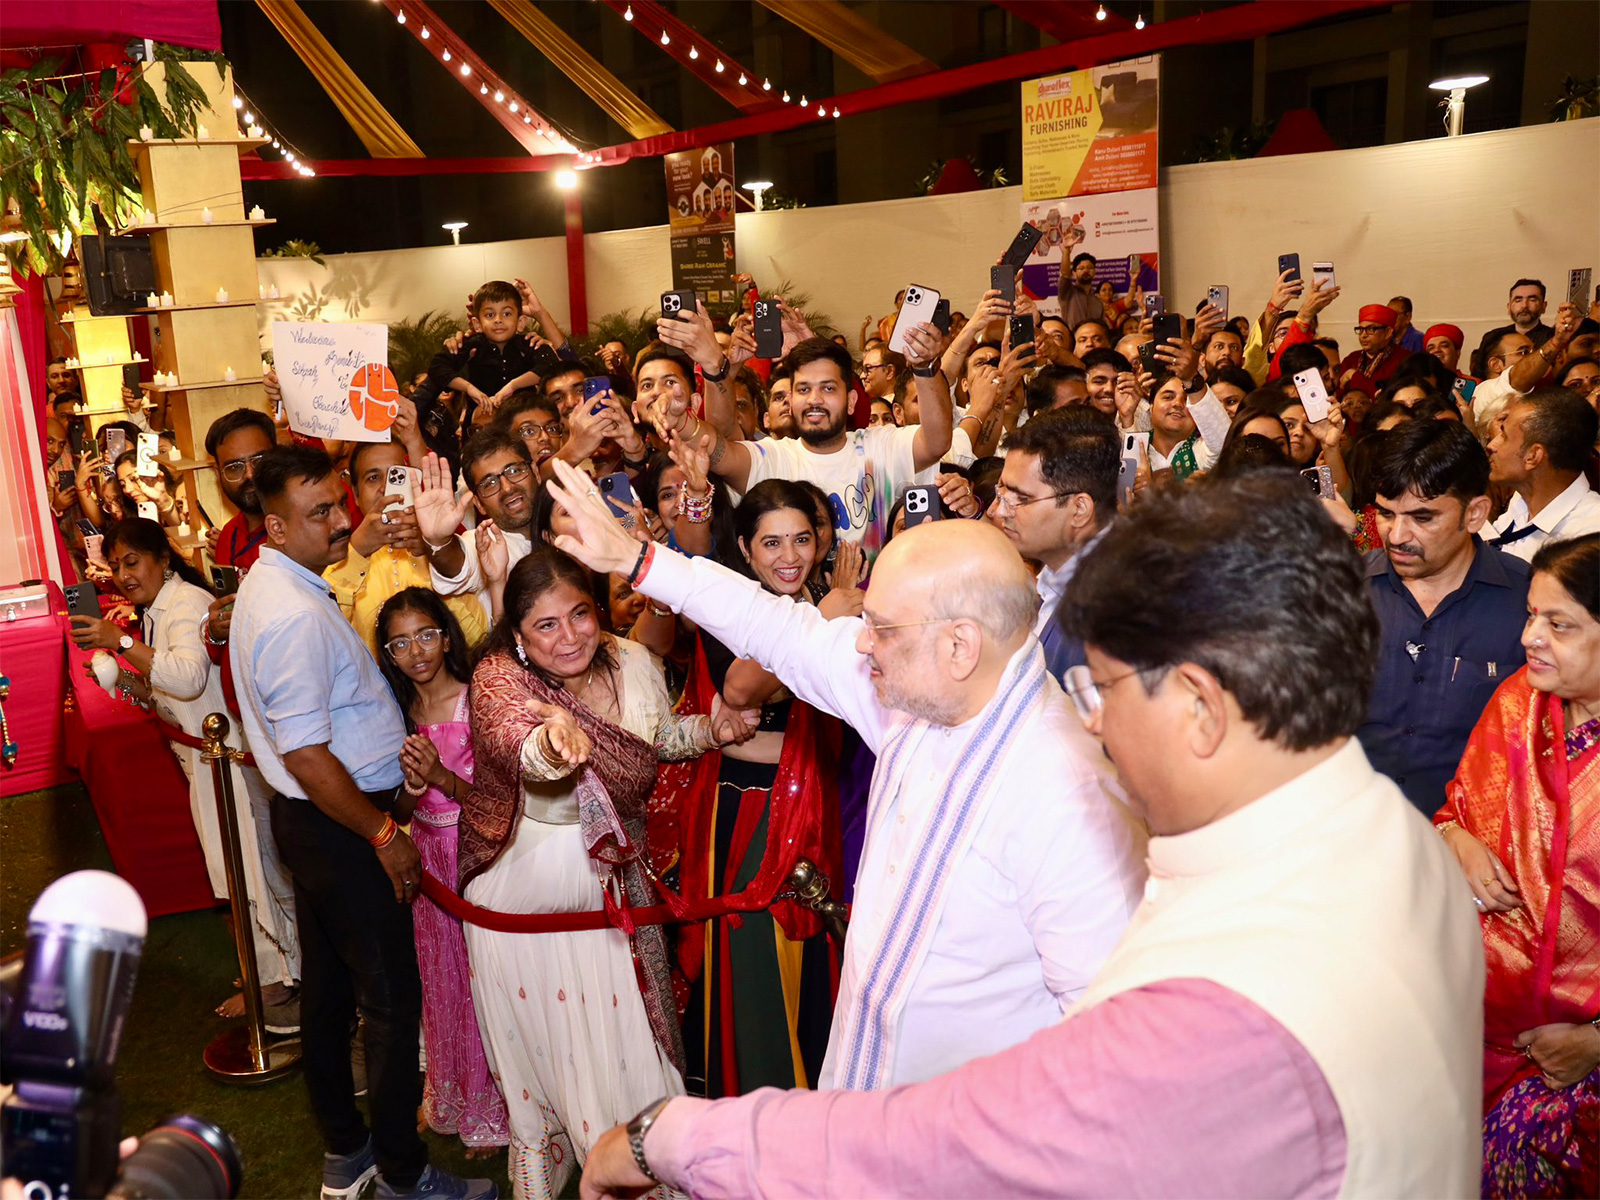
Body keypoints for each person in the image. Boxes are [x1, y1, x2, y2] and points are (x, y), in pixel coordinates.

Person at [579, 473, 1483, 1200]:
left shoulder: (1236, 978)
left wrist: (682, 1137)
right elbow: (783, 636)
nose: (1090, 723)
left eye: (1105, 689)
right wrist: (645, 560)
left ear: (1203, 706)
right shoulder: (1394, 840)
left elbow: (999, 1139)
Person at [544, 458, 1145, 1094]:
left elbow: (1107, 1044)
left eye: (880, 629)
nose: (860, 644)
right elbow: (778, 628)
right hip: (864, 1103)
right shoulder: (917, 694)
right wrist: (639, 560)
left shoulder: (1068, 796)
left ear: (960, 645)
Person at [231, 445, 495, 1200]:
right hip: (342, 827)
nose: (344, 521)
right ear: (275, 527)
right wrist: (384, 837)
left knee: (331, 994)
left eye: (338, 503)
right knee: (385, 1004)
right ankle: (402, 1176)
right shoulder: (289, 615)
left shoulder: (282, 586)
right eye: (320, 514)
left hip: (324, 825)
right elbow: (308, 756)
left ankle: (349, 1157)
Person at [457, 547, 754, 1200]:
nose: (570, 637)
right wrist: (552, 745)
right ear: (518, 635)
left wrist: (713, 729)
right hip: (526, 907)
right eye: (546, 625)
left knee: (632, 1059)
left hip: (614, 895)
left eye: (580, 614)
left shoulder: (637, 664)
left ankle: (644, 1174)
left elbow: (655, 743)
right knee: (564, 1073)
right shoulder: (501, 681)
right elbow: (517, 741)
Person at [68, 517, 301, 1028]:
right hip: (204, 760)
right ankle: (268, 974)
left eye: (134, 561)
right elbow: (167, 695)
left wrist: (120, 642)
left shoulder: (186, 605)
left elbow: (188, 678)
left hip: (228, 762)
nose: (125, 574)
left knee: (247, 873)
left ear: (163, 560)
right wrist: (121, 677)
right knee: (231, 872)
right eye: (117, 565)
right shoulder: (156, 609)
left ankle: (282, 986)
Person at [674, 481, 855, 1099]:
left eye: (801, 539)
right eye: (771, 542)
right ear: (746, 551)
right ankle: (759, 1101)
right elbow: (745, 690)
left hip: (824, 804)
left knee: (816, 958)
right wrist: (826, 617)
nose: (789, 556)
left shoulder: (828, 603)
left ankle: (817, 1104)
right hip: (752, 814)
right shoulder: (734, 608)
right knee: (757, 960)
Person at [1433, 533, 1599, 1198]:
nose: (1531, 636)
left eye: (1559, 624)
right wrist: (1456, 841)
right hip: (1464, 1028)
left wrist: (1594, 1043)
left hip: (1569, 1064)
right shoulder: (1516, 706)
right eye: (1532, 615)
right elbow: (1453, 813)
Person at [374, 589, 509, 1157]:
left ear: (447, 636)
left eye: (426, 634)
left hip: (475, 856)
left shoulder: (474, 701)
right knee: (442, 979)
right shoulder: (400, 714)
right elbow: (401, 812)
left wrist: (441, 778)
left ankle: (494, 1107)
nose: (416, 651)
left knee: (484, 982)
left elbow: (500, 799)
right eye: (400, 643)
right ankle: (450, 1094)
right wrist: (410, 792)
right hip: (426, 858)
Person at [1357, 419, 1531, 817]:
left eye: (1422, 518)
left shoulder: (1527, 603)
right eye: (1386, 513)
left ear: (1474, 514)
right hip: (1349, 839)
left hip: (1469, 854)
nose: (1397, 535)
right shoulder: (1341, 590)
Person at [664, 337, 952, 561]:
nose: (814, 400)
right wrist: (682, 421)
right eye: (803, 390)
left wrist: (925, 367)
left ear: (851, 401)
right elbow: (717, 453)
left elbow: (937, 441)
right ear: (790, 399)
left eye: (828, 389)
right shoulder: (773, 457)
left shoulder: (882, 444)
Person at [994, 408, 1117, 682]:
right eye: (1001, 491)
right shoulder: (1057, 578)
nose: (1000, 512)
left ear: (1079, 509)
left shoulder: (1109, 616)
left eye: (1021, 499)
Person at [420, 432, 539, 619]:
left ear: (536, 473)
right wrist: (439, 540)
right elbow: (458, 563)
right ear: (478, 503)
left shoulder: (566, 522)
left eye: (514, 471)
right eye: (489, 483)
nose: (507, 488)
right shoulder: (485, 544)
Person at [1487, 387, 1600, 560]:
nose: (1492, 445)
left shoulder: (1589, 536)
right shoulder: (1521, 502)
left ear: (1533, 456)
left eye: (1504, 435)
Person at [415, 281, 543, 419]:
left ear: (521, 322)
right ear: (477, 324)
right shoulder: (471, 345)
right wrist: (469, 388)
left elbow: (550, 365)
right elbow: (437, 367)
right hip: (479, 429)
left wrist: (513, 386)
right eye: (489, 315)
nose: (498, 320)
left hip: (524, 425)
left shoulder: (529, 343)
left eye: (506, 314)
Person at [1471, 302, 1583, 439]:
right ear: (1496, 364)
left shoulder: (1541, 388)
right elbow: (1517, 378)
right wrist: (1557, 341)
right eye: (1523, 353)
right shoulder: (1485, 390)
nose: (1532, 357)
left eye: (1534, 351)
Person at [1473, 279, 1556, 378]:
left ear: (1543, 306)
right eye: (1518, 300)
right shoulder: (1493, 336)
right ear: (1509, 306)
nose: (1524, 305)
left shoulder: (1554, 338)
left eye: (1532, 300)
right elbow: (1478, 375)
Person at [1336, 303, 1407, 397]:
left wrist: (1355, 377)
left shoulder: (1404, 359)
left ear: (1388, 332)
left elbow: (1386, 397)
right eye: (1360, 329)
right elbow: (1340, 395)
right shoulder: (1351, 359)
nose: (1363, 335)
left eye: (1370, 329)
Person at [1059, 251, 1104, 329]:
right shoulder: (1067, 292)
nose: (1086, 271)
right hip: (1073, 340)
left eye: (1090, 267)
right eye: (1081, 268)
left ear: (1094, 271)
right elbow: (1065, 274)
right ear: (1074, 273)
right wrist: (1066, 252)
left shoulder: (1098, 301)